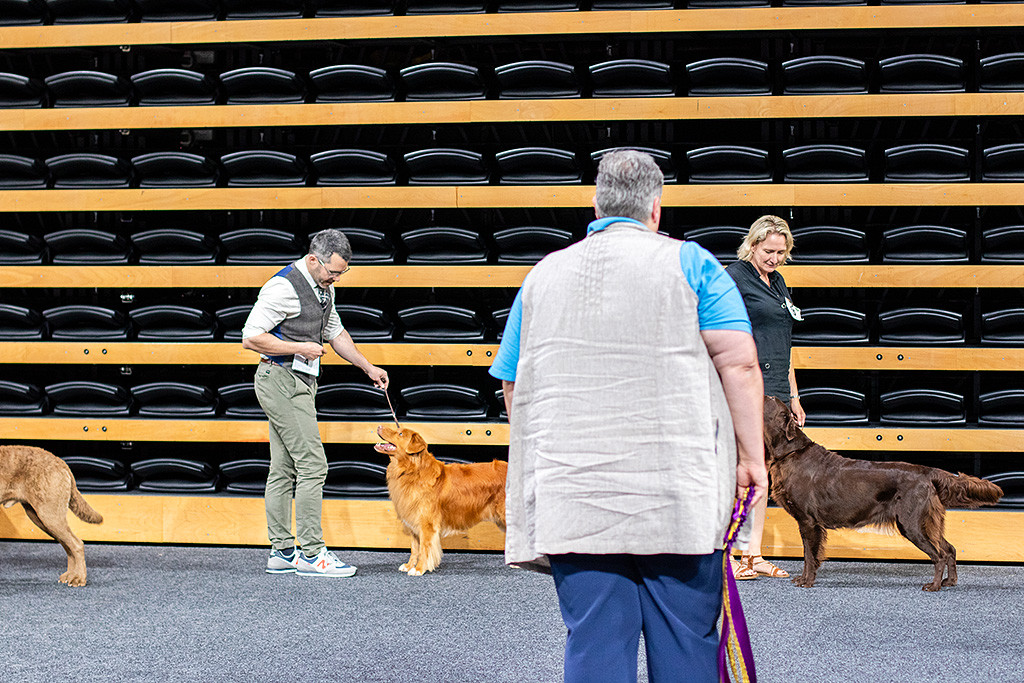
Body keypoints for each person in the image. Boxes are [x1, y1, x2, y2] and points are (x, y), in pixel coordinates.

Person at [489, 150, 767, 683]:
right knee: (688, 641)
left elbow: (514, 385)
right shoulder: (695, 264)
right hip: (675, 494)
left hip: (576, 497)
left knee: (595, 643)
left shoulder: (542, 275)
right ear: (656, 210)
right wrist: (752, 458)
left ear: (594, 205)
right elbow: (740, 361)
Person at [242, 228, 388, 578]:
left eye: (341, 273)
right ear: (312, 260)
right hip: (280, 380)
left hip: (300, 382)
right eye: (333, 272)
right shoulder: (283, 287)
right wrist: (299, 348)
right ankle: (311, 554)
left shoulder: (324, 289)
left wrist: (368, 367)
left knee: (283, 468)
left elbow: (335, 332)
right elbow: (251, 338)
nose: (336, 278)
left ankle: (281, 551)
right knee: (313, 465)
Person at [725, 214, 805, 581]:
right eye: (768, 250)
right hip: (744, 388)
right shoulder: (733, 277)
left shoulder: (778, 283)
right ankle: (730, 553)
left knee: (763, 473)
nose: (774, 258)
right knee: (740, 471)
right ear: (753, 245)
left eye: (781, 252)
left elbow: (786, 345)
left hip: (775, 393)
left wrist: (794, 397)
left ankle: (753, 554)